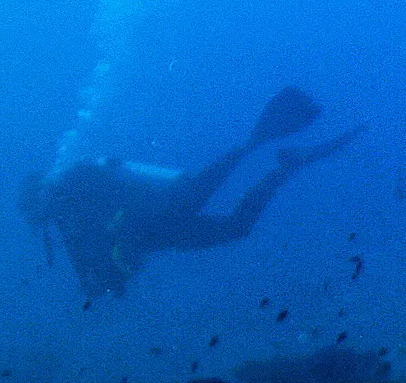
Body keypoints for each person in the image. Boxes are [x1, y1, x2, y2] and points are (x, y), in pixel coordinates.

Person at [21, 87, 361, 298]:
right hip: (167, 207)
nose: (39, 221)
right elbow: (107, 263)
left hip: (164, 212)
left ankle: (279, 162)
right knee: (233, 216)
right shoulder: (71, 204)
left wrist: (107, 276)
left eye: (34, 213)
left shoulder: (69, 202)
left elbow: (101, 257)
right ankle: (281, 161)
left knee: (234, 218)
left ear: (38, 200)